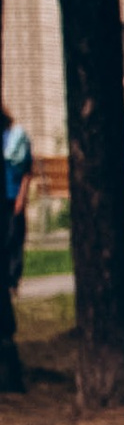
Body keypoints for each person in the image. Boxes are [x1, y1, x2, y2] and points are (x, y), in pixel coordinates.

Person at [1, 100, 30, 296]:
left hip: (12, 196)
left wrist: (22, 196)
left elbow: (27, 171)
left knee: (13, 239)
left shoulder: (16, 138)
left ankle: (13, 280)